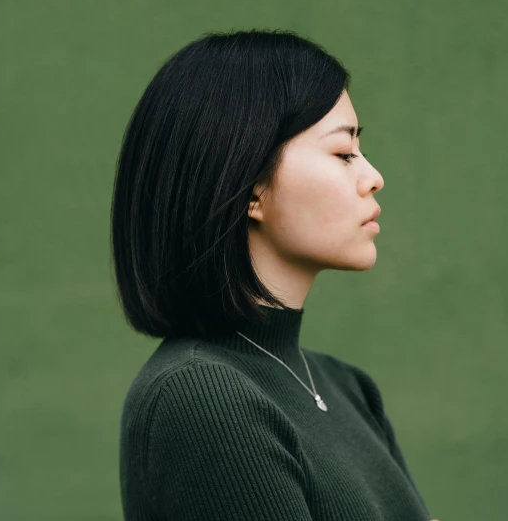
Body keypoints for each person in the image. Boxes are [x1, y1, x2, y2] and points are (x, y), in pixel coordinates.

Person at [111, 28, 436, 520]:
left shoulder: (349, 388)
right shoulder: (202, 398)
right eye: (343, 153)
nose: (373, 177)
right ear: (250, 187)